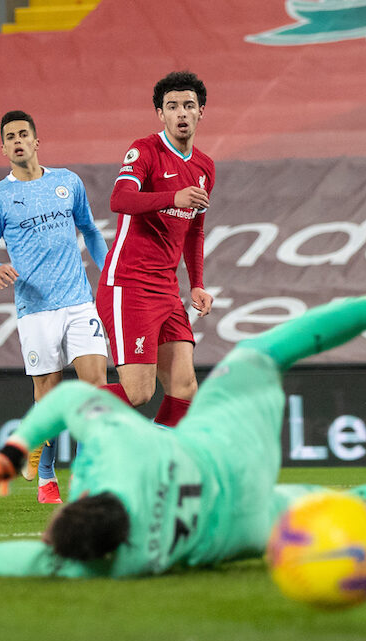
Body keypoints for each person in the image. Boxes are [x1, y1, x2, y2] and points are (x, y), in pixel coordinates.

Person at [0, 278, 366, 578]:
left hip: (245, 522)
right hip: (223, 449)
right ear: (86, 502)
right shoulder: (124, 449)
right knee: (259, 355)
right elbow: (67, 403)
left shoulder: (111, 564)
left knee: (338, 507)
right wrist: (12, 455)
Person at [0, 110, 109, 504]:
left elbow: (91, 231)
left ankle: (84, 478)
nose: (17, 141)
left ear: (37, 141)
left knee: (93, 390)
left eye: (23, 134)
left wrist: (110, 272)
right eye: (10, 137)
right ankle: (46, 476)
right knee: (48, 399)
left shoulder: (68, 182)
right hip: (35, 309)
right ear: (3, 148)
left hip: (79, 301)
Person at [96, 71, 215, 428]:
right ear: (160, 114)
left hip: (167, 290)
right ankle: (53, 415)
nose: (181, 113)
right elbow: (119, 199)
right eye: (172, 106)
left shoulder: (205, 167)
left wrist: (196, 283)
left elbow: (195, 229)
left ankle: (157, 469)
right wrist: (171, 197)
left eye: (188, 106)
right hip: (129, 285)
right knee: (138, 393)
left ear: (201, 112)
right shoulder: (145, 150)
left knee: (185, 387)